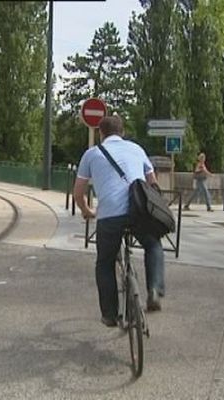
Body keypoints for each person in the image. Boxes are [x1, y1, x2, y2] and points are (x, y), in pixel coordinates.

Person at [73, 115, 165, 328]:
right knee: (153, 245)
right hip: (139, 213)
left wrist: (87, 211)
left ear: (101, 133)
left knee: (104, 263)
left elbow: (78, 192)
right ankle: (154, 289)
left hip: (109, 216)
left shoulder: (92, 154)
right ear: (122, 132)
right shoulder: (137, 149)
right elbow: (153, 183)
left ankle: (110, 314)